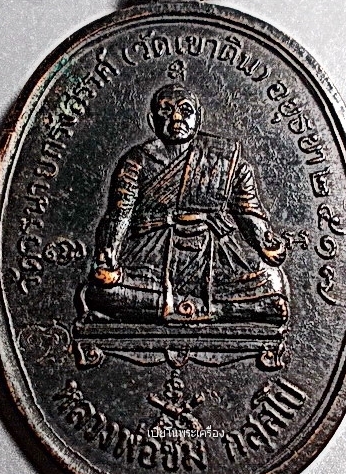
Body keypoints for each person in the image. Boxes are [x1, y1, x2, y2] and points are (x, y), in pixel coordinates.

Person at [81, 83, 289, 325]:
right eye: (166, 111)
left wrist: (265, 242)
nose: (177, 118)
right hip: (151, 254)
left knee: (272, 281)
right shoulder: (137, 160)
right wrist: (108, 254)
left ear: (198, 119)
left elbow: (247, 211)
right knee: (101, 292)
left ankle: (176, 307)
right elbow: (120, 214)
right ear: (152, 121)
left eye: (185, 110)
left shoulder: (226, 160)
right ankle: (221, 310)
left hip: (217, 251)